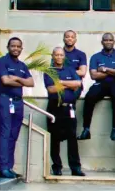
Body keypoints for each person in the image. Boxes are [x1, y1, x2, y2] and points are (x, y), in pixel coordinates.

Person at [0, 37, 34, 178]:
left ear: (21, 48)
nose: (16, 48)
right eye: (13, 46)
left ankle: (9, 167)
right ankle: (3, 167)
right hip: (5, 101)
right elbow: (5, 81)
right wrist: (22, 81)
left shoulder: (22, 66)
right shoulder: (2, 62)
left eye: (18, 46)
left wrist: (16, 79)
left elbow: (31, 82)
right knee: (4, 134)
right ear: (8, 47)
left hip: (18, 103)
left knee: (13, 135)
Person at [44, 47, 85, 177]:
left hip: (69, 109)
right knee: (54, 138)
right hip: (55, 108)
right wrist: (69, 85)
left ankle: (75, 168)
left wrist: (61, 82)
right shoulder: (49, 71)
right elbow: (51, 89)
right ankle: (57, 167)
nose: (59, 57)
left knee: (72, 137)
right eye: (56, 55)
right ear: (53, 56)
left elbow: (78, 83)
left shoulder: (70, 70)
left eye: (61, 55)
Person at [78, 33, 115, 141]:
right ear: (102, 42)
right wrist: (113, 72)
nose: (108, 42)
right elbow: (93, 75)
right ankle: (86, 129)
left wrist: (105, 69)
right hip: (101, 84)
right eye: (106, 40)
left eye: (110, 40)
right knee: (89, 97)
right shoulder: (96, 57)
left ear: (114, 42)